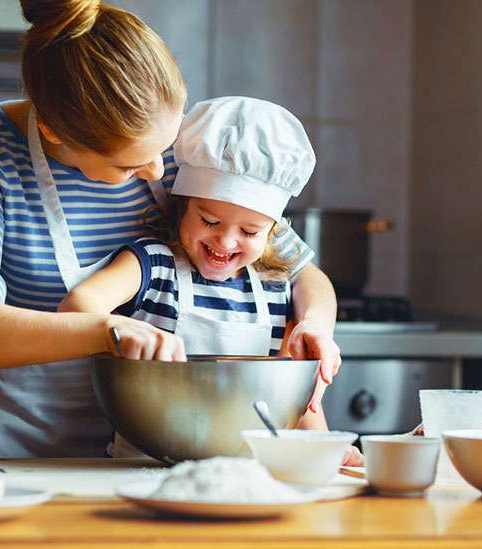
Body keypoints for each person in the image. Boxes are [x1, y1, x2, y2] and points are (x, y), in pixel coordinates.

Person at [0, 0, 340, 458]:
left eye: (166, 147)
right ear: (55, 132)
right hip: (25, 459)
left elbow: (297, 270)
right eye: (130, 164)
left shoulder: (180, 146)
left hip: (155, 462)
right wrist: (105, 331)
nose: (159, 171)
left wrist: (314, 324)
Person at [58, 97, 360, 463]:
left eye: (250, 231)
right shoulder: (154, 264)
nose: (226, 242)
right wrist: (119, 330)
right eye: (210, 221)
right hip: (143, 467)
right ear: (182, 207)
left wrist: (314, 327)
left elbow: (313, 286)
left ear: (273, 233)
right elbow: (78, 305)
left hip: (249, 476)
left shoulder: (273, 284)